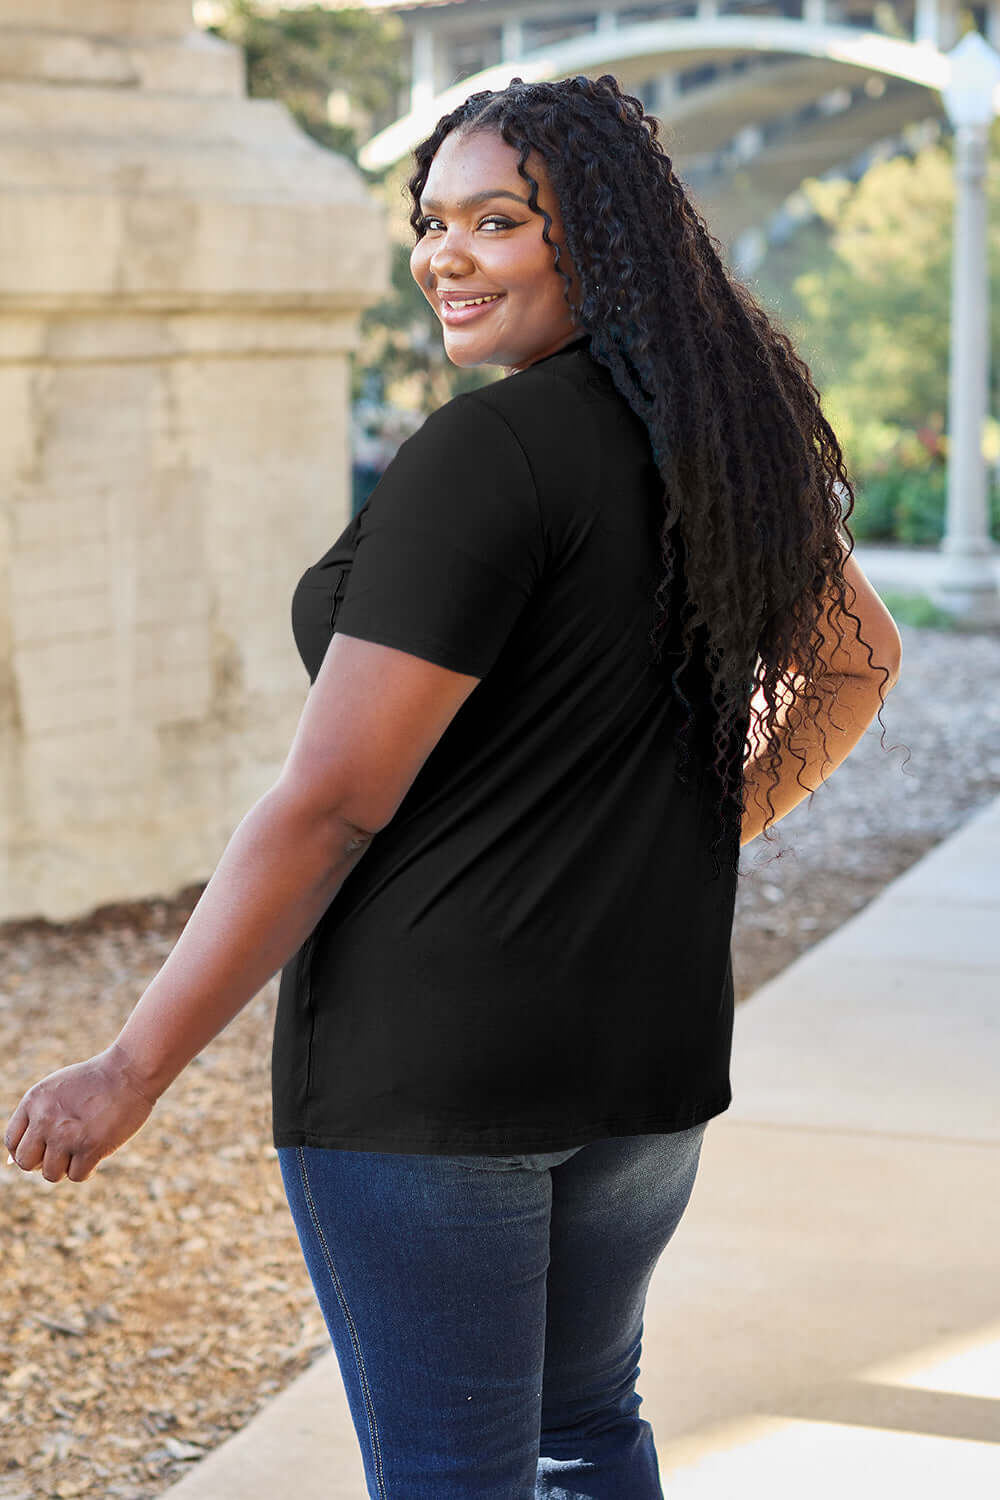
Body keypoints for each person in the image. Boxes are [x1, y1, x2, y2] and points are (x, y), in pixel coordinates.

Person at [5, 74, 902, 1500]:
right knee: (589, 1428)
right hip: (643, 1055)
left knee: (452, 1478)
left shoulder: (488, 454)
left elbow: (331, 804)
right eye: (433, 222)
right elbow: (860, 657)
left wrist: (132, 1068)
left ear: (597, 239)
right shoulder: (719, 446)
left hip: (436, 1072)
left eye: (497, 220)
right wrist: (689, 824)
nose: (446, 256)